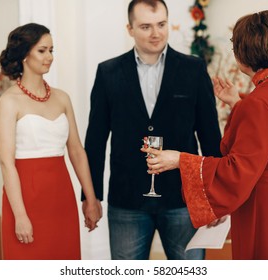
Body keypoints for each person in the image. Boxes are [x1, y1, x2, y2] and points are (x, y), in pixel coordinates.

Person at [142, 10, 268, 259]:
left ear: (244, 53)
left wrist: (180, 160)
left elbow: (237, 170)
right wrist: (237, 105)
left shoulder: (260, 101)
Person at [84, 0, 222, 260]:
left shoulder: (193, 69)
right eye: (146, 26)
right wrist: (91, 197)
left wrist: (217, 195)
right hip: (127, 201)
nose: (156, 33)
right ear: (130, 29)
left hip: (183, 198)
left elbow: (210, 136)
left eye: (161, 24)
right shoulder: (108, 73)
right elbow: (95, 141)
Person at [0, 23, 102, 260]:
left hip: (61, 197)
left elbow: (76, 150)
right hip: (25, 198)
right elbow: (6, 163)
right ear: (25, 54)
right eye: (42, 51)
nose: (50, 57)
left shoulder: (62, 97)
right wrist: (20, 215)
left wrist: (91, 198)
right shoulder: (9, 101)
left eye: (52, 50)